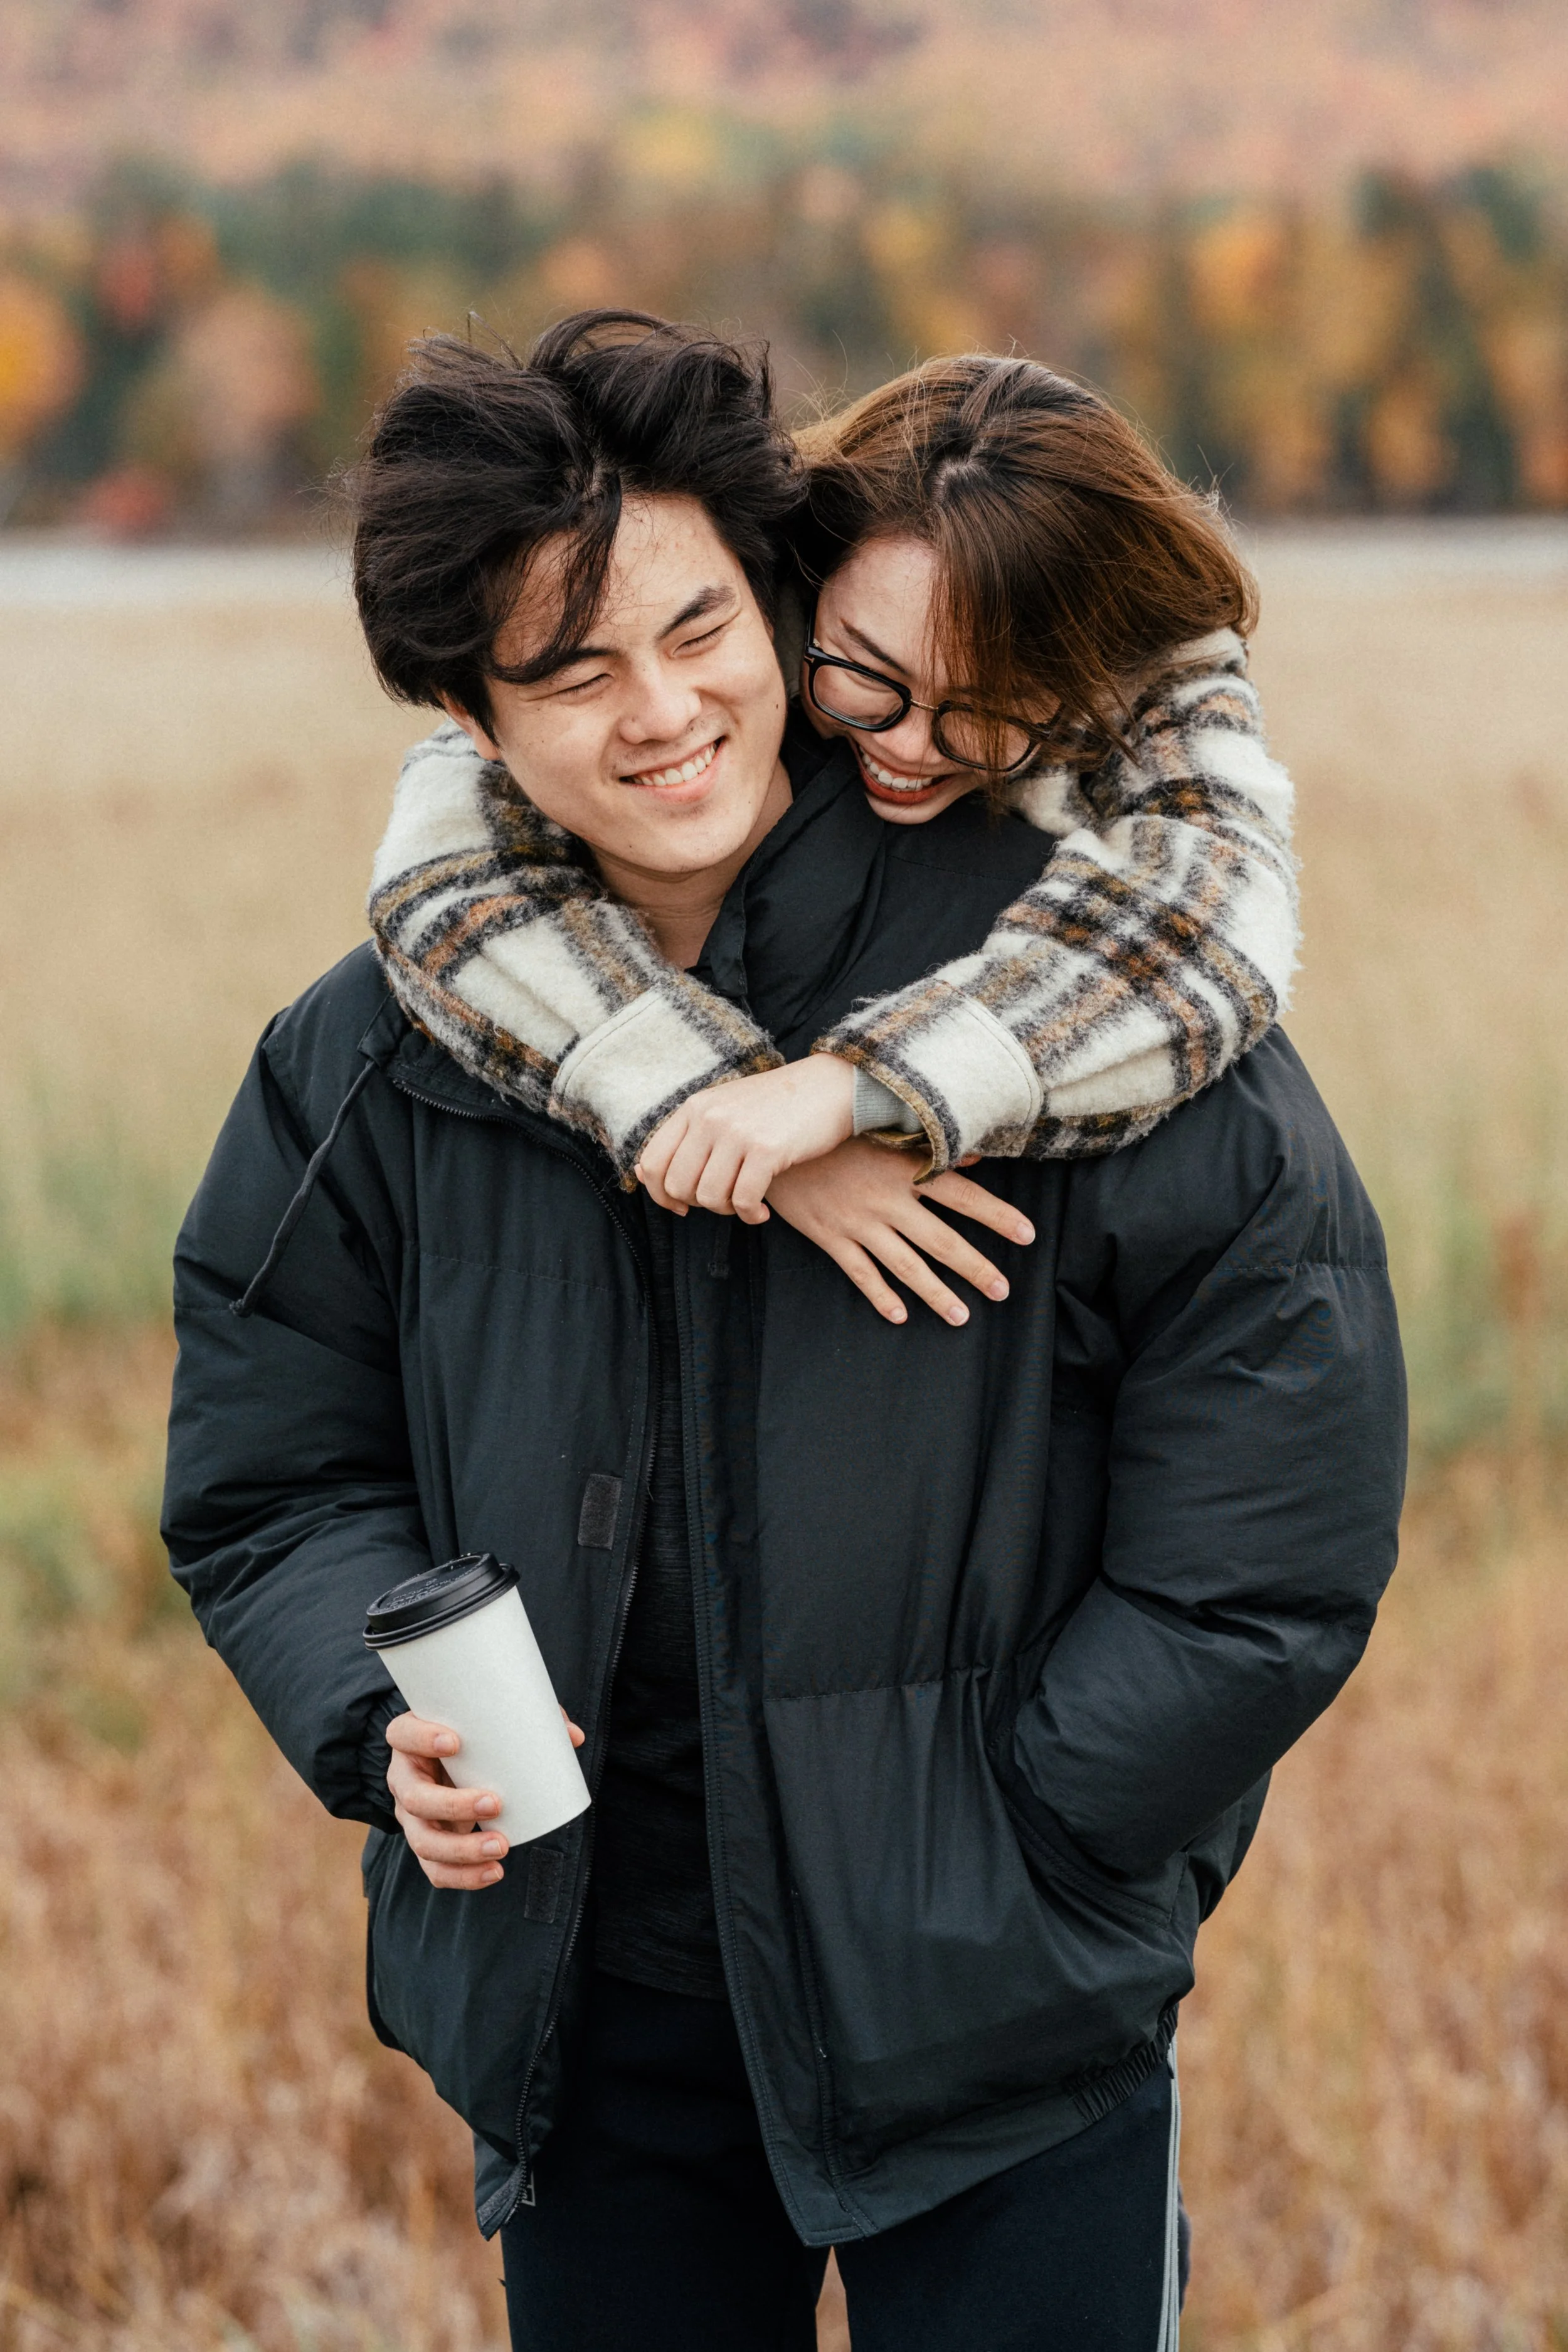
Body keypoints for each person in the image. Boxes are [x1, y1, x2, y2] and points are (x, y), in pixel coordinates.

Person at [162, 315, 1406, 2352]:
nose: (664, 714)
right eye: (571, 675)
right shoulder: (378, 1055)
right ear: (470, 720)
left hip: (999, 2011)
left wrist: (1035, 1844)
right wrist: (372, 1724)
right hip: (589, 2016)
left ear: (779, 593)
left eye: (701, 628)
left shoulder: (1071, 989)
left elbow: (1274, 1529)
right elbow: (273, 1474)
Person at [368, 329, 1300, 1327]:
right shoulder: (741, 569)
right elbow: (444, 888)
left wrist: (852, 1091)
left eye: (988, 711)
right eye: (866, 676)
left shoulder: (1140, 656)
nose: (907, 744)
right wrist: (726, 1112)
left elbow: (1216, 919)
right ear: (799, 585)